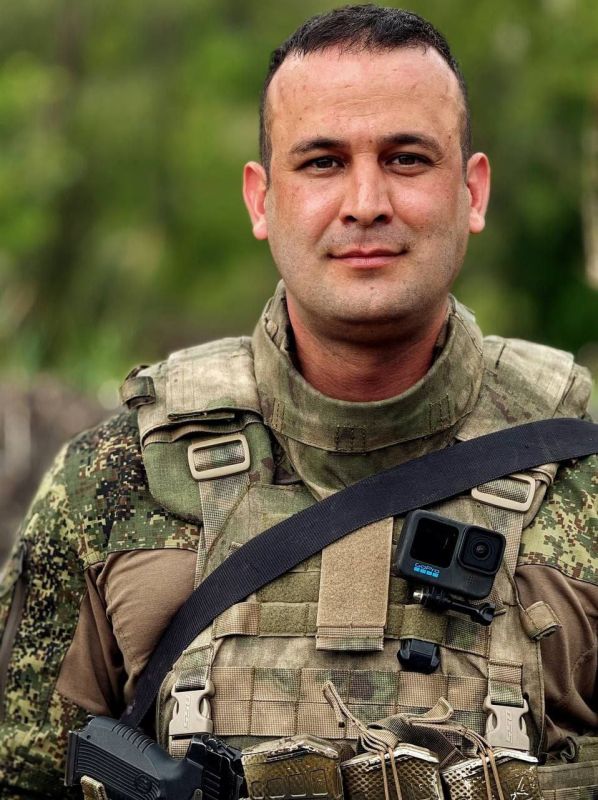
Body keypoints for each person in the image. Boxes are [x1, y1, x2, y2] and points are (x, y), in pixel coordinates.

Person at [0, 5, 596, 798]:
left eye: (407, 159)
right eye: (322, 162)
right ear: (261, 199)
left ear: (473, 190)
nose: (365, 201)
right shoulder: (115, 479)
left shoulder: (582, 476)